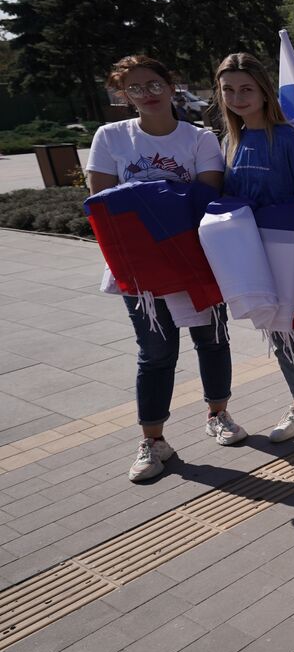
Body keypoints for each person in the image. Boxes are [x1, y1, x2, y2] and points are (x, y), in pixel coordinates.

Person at [86, 55, 245, 483]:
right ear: (122, 95)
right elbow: (101, 205)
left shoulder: (200, 139)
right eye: (134, 88)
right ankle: (153, 440)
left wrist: (139, 197)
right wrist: (166, 195)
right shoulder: (111, 136)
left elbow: (205, 198)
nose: (147, 93)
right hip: (139, 266)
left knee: (212, 339)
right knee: (156, 353)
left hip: (195, 257)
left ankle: (219, 414)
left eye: (154, 83)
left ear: (171, 85)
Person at [213, 52, 294, 448]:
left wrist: (262, 216)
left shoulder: (287, 139)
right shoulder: (229, 142)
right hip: (254, 258)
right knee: (276, 332)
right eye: (229, 90)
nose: (238, 97)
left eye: (246, 88)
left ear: (264, 91)